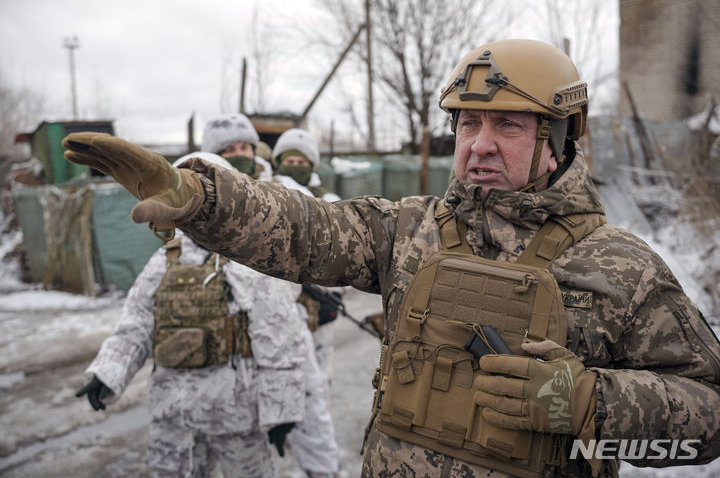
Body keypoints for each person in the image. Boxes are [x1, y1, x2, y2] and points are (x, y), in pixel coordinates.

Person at [64, 39, 720, 478]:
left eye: (509, 126)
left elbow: (706, 422)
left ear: (559, 142)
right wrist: (198, 197)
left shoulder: (621, 266)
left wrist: (588, 401)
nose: (479, 145)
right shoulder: (411, 229)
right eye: (468, 124)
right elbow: (300, 228)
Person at [76, 152, 309, 478]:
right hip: (173, 413)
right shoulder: (168, 256)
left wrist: (282, 411)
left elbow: (280, 336)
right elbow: (138, 322)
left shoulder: (248, 259)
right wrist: (107, 373)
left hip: (234, 415)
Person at [202, 115, 341, 477]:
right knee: (241, 426)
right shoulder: (204, 193)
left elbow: (318, 240)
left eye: (245, 147)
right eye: (229, 150)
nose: (240, 155)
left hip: (286, 321)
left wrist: (314, 286)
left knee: (310, 407)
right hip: (230, 326)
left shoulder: (281, 190)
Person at [271, 128, 343, 477]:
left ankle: (316, 464)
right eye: (290, 160)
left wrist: (333, 300)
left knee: (316, 386)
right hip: (280, 309)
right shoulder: (269, 192)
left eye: (302, 161)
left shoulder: (327, 201)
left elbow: (341, 258)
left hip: (319, 311)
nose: (295, 165)